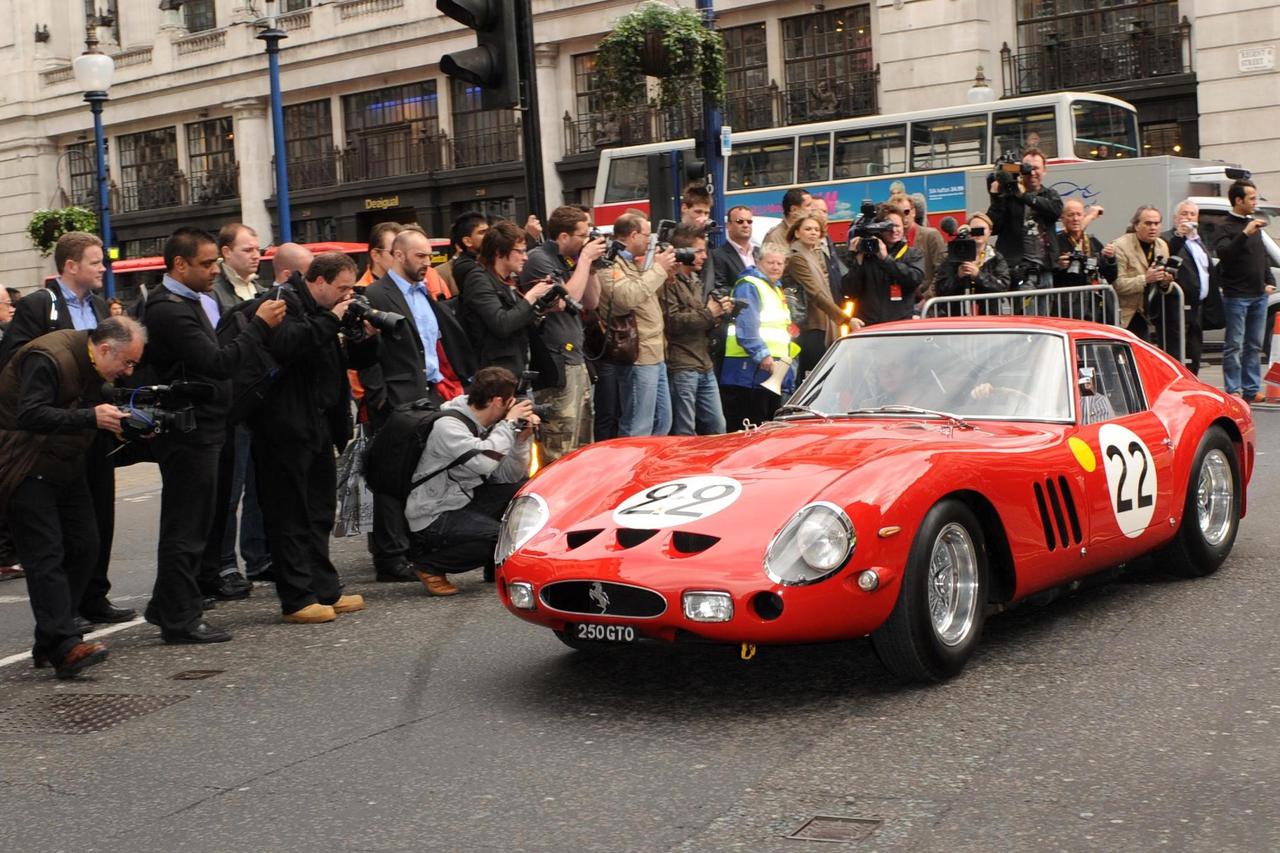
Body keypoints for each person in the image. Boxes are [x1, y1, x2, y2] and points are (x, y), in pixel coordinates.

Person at [141, 228, 287, 644]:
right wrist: (257, 325)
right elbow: (217, 363)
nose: (214, 270)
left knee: (196, 521)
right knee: (186, 525)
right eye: (206, 263)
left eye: (214, 262)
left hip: (205, 426)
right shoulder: (169, 309)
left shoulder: (191, 302)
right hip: (187, 431)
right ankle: (179, 618)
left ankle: (167, 602)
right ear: (179, 264)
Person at [0, 232, 132, 624]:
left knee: (98, 517)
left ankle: (95, 595)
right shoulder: (42, 304)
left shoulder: (96, 306)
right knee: (60, 529)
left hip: (94, 425)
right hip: (50, 432)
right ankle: (65, 613)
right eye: (95, 261)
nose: (103, 268)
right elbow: (17, 360)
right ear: (71, 265)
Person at [0, 317, 142, 678]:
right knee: (45, 554)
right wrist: (90, 417)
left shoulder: (94, 362)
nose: (128, 371)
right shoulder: (49, 357)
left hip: (64, 460)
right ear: (106, 348)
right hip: (24, 463)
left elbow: (86, 410)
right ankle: (65, 645)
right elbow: (30, 414)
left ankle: (51, 640)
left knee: (85, 546)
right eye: (126, 362)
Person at [250, 253, 378, 624]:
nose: (347, 295)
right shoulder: (282, 300)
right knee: (289, 514)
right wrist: (332, 318)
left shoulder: (329, 310)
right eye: (342, 288)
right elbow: (288, 344)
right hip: (283, 428)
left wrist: (367, 337)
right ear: (318, 281)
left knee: (319, 512)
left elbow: (355, 362)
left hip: (319, 424)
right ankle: (296, 598)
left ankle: (324, 588)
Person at [356, 227, 475, 583]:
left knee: (425, 474)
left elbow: (435, 344)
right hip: (397, 399)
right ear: (398, 256)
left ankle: (415, 547)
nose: (427, 262)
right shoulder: (376, 293)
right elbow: (367, 353)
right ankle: (389, 557)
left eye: (429, 256)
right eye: (420, 256)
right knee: (393, 478)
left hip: (430, 394)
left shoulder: (426, 293)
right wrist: (380, 397)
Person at [404, 367, 535, 596]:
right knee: (500, 537)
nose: (511, 409)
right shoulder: (449, 426)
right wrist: (508, 424)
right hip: (431, 514)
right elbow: (484, 462)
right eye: (510, 403)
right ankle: (430, 565)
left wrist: (521, 441)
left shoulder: (487, 423)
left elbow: (506, 476)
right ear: (497, 401)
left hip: (459, 500)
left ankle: (493, 568)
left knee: (521, 492)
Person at [517, 205, 604, 462]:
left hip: (576, 360)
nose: (587, 241)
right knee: (560, 443)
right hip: (556, 364)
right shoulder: (539, 259)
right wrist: (585, 259)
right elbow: (570, 297)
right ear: (563, 237)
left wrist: (591, 267)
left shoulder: (573, 261)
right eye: (582, 235)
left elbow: (592, 301)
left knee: (582, 444)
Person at [597, 213, 675, 440]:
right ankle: (628, 470)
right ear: (632, 235)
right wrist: (658, 269)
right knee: (637, 426)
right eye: (646, 234)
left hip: (655, 352)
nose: (650, 240)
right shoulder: (609, 263)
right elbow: (627, 298)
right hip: (638, 355)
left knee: (663, 421)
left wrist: (666, 273)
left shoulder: (634, 261)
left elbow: (646, 294)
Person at [458, 220, 553, 376]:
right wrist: (531, 296)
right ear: (498, 252)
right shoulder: (478, 280)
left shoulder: (506, 280)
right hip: (495, 378)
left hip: (518, 370)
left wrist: (542, 304)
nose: (526, 258)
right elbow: (502, 324)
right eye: (520, 251)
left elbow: (519, 321)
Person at [663, 223, 730, 436]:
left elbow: (701, 318)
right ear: (684, 253)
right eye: (699, 251)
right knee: (685, 431)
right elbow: (673, 322)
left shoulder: (695, 280)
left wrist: (720, 313)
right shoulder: (668, 282)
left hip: (704, 363)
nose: (705, 256)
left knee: (718, 427)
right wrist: (710, 314)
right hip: (682, 364)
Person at [720, 247, 798, 428]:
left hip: (769, 369)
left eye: (780, 263)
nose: (776, 267)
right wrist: (762, 354)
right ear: (759, 262)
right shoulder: (750, 285)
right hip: (747, 371)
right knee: (749, 427)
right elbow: (747, 326)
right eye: (770, 262)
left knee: (766, 426)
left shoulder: (775, 289)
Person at [1215, 180, 1277, 401]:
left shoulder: (1253, 224)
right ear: (1238, 200)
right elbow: (1225, 254)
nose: (1255, 202)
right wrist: (1244, 234)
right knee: (1234, 344)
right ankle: (1233, 389)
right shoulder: (1224, 226)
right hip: (1236, 296)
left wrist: (1269, 281)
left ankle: (1251, 388)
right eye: (1251, 198)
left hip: (1258, 295)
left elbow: (1262, 257)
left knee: (1254, 344)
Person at [986, 148, 1062, 289]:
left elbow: (1055, 211)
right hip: (1015, 268)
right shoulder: (1008, 197)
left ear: (1045, 170)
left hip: (1044, 269)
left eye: (1036, 168)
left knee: (1044, 311)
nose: (1032, 173)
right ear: (1019, 170)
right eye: (1027, 168)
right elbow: (994, 227)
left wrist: (1024, 196)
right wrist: (996, 197)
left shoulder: (1050, 195)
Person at [843, 207, 925, 327]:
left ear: (903, 227)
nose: (893, 230)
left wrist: (886, 259)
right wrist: (857, 262)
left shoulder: (913, 254)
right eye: (888, 227)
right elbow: (849, 291)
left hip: (901, 324)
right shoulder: (866, 255)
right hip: (869, 324)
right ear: (879, 229)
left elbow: (914, 279)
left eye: (897, 226)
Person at [1162, 200, 1211, 374]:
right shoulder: (1168, 238)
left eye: (1192, 214)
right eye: (1184, 214)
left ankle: (1193, 381)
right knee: (1177, 351)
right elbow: (1167, 256)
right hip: (1178, 305)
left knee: (1194, 350)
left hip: (1198, 305)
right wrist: (1179, 235)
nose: (1188, 218)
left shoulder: (1199, 242)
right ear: (1176, 218)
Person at [1112, 205, 1175, 340]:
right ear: (1136, 226)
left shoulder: (1162, 245)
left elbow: (1164, 286)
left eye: (1156, 223)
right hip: (1125, 314)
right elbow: (1118, 285)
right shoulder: (1120, 246)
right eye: (1148, 223)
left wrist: (1165, 282)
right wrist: (1145, 279)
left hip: (1151, 312)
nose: (1153, 227)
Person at [932, 212, 1010, 314]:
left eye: (981, 230)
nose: (977, 234)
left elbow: (1003, 286)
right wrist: (958, 277)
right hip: (958, 317)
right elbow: (940, 289)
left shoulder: (996, 257)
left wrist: (978, 275)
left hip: (989, 317)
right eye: (974, 230)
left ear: (990, 231)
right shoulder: (952, 257)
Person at [1053, 198, 1118, 320]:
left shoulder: (1093, 242)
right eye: (1071, 215)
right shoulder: (1056, 241)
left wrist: (1110, 259)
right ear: (1062, 218)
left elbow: (1111, 276)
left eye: (1079, 214)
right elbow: (1047, 274)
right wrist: (1058, 266)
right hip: (1067, 305)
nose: (1075, 219)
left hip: (1093, 305)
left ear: (1083, 216)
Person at [437, 212, 489, 297]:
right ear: (467, 241)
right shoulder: (466, 268)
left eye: (488, 231)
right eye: (482, 232)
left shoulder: (488, 261)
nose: (489, 235)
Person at [712, 205, 760, 294]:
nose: (746, 225)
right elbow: (720, 288)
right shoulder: (718, 255)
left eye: (749, 221)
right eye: (740, 221)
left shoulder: (759, 252)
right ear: (728, 226)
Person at [906, 193, 947, 297]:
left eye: (906, 212)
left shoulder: (931, 235)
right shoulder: (891, 239)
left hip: (927, 304)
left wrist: (927, 300)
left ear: (913, 212)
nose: (903, 216)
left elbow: (942, 271)